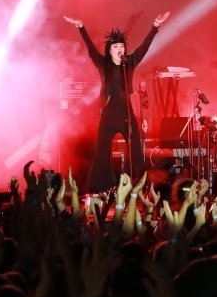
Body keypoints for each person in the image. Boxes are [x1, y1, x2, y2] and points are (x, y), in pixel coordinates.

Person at [64, 11, 170, 193]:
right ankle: (100, 190)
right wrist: (81, 27)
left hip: (126, 114)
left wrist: (155, 26)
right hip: (108, 116)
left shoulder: (130, 62)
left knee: (136, 153)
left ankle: (139, 188)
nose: (120, 48)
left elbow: (144, 47)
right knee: (101, 155)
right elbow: (90, 49)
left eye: (122, 46)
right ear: (110, 49)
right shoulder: (103, 64)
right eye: (116, 46)